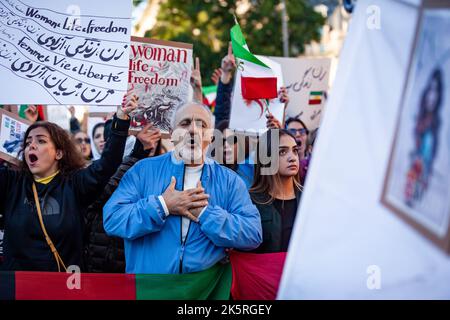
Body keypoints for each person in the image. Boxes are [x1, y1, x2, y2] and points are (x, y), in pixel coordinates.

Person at [103, 102, 262, 274]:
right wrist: (163, 205)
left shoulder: (230, 181)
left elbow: (253, 234)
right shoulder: (142, 171)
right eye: (185, 123)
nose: (193, 130)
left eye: (202, 125)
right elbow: (112, 219)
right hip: (149, 288)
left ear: (211, 136)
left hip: (204, 290)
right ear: (171, 134)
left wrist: (205, 214)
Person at [0, 94, 138, 271]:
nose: (31, 146)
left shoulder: (74, 184)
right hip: (17, 289)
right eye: (28, 142)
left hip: (63, 288)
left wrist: (121, 120)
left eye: (41, 141)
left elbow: (108, 164)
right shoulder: (11, 183)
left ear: (59, 153)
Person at [85, 123, 161, 273]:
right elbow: (103, 196)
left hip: (133, 265)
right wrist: (137, 154)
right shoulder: (91, 172)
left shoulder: (153, 173)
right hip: (97, 264)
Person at [249, 129, 302, 253]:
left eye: (295, 151)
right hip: (263, 271)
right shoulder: (249, 201)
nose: (292, 158)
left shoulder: (310, 198)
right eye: (282, 152)